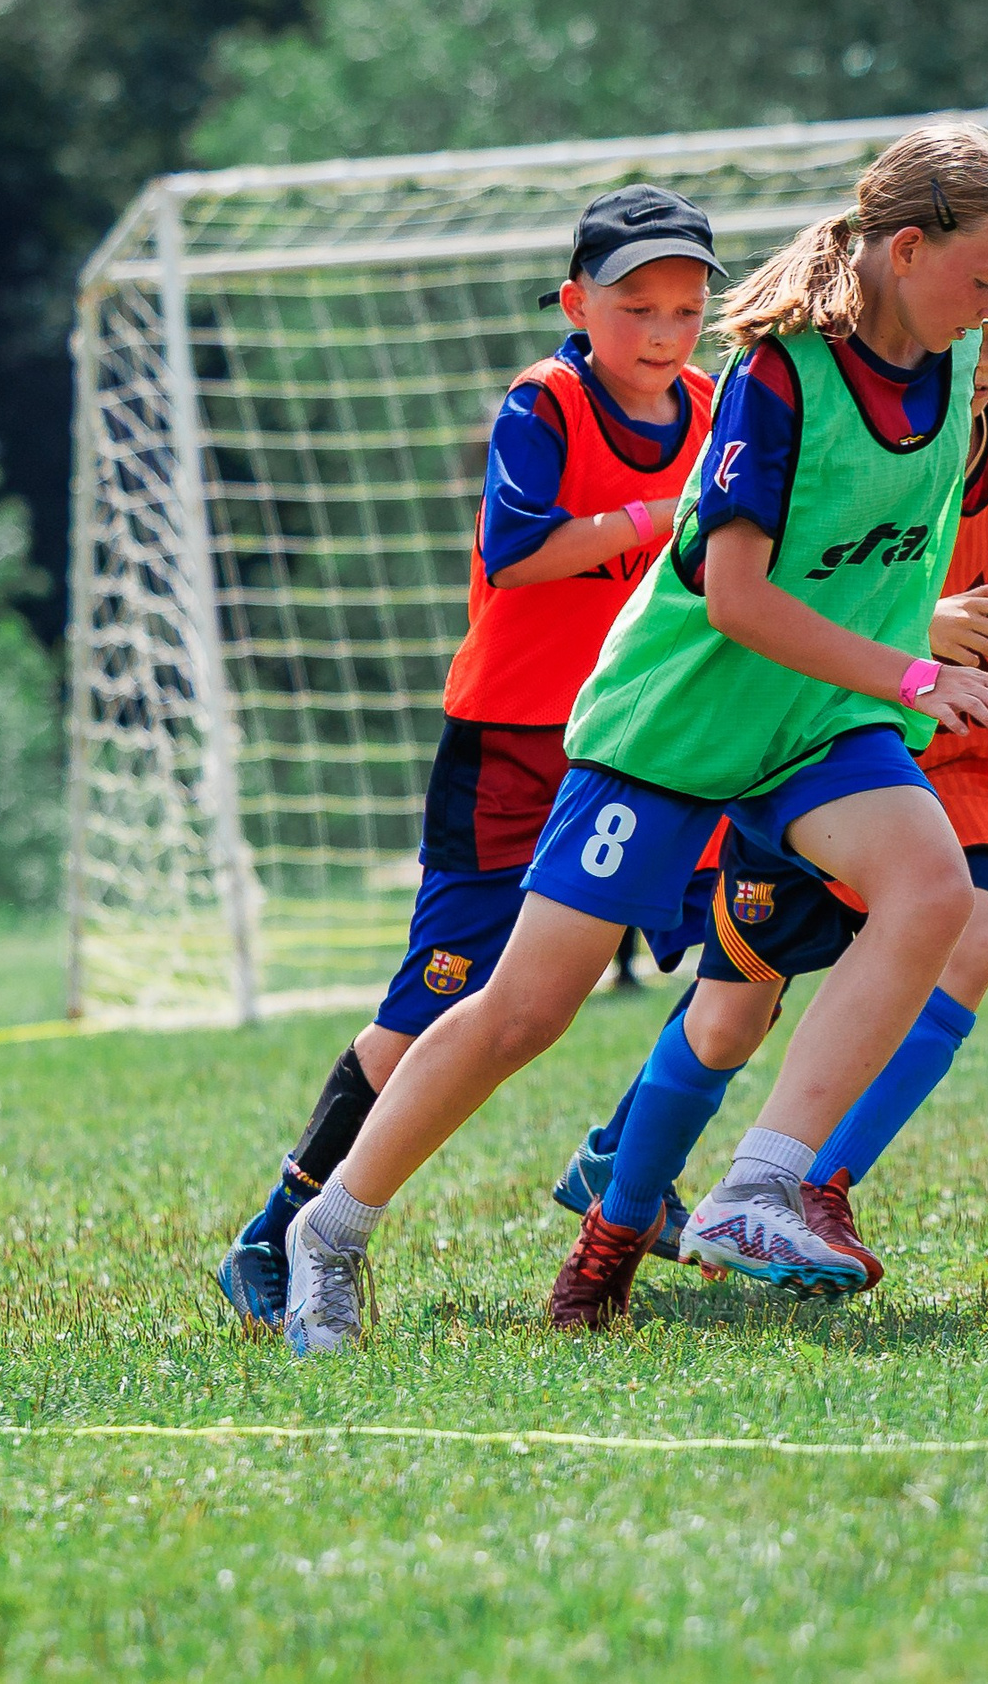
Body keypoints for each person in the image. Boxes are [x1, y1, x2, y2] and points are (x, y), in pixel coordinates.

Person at [279, 124, 988, 1352]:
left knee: (934, 892)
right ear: (906, 250)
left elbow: (872, 549)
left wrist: (929, 628)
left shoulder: (951, 373)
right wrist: (914, 668)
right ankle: (328, 1229)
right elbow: (737, 597)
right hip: (671, 728)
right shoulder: (779, 374)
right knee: (524, 1008)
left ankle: (757, 1188)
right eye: (985, 282)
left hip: (814, 721)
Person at [210, 184, 724, 1330]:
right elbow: (524, 548)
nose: (662, 331)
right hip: (512, 748)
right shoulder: (541, 404)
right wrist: (665, 517)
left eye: (688, 308)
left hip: (653, 740)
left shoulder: (713, 406)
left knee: (747, 949)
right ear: (575, 302)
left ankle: (618, 1165)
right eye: (637, 305)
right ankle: (280, 1225)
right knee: (443, 1004)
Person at [554, 253, 988, 1295]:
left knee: (972, 932)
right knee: (725, 1019)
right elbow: (802, 577)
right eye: (982, 327)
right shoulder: (852, 421)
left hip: (958, 767)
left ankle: (811, 1186)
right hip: (824, 739)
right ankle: (608, 1239)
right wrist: (915, 634)